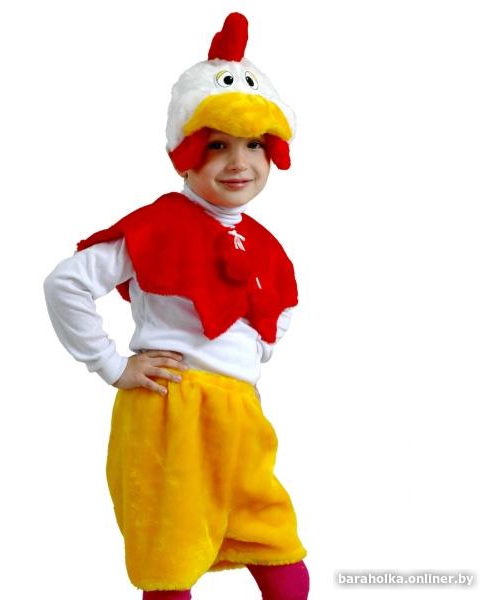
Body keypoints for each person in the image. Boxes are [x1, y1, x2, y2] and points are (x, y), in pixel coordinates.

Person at [44, 13, 309, 600]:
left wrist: (253, 353)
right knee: (171, 558)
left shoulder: (265, 243)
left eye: (253, 146)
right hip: (171, 409)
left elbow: (284, 306)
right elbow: (66, 284)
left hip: (240, 414)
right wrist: (113, 365)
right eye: (217, 145)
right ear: (185, 153)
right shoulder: (157, 224)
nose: (238, 163)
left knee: (279, 552)